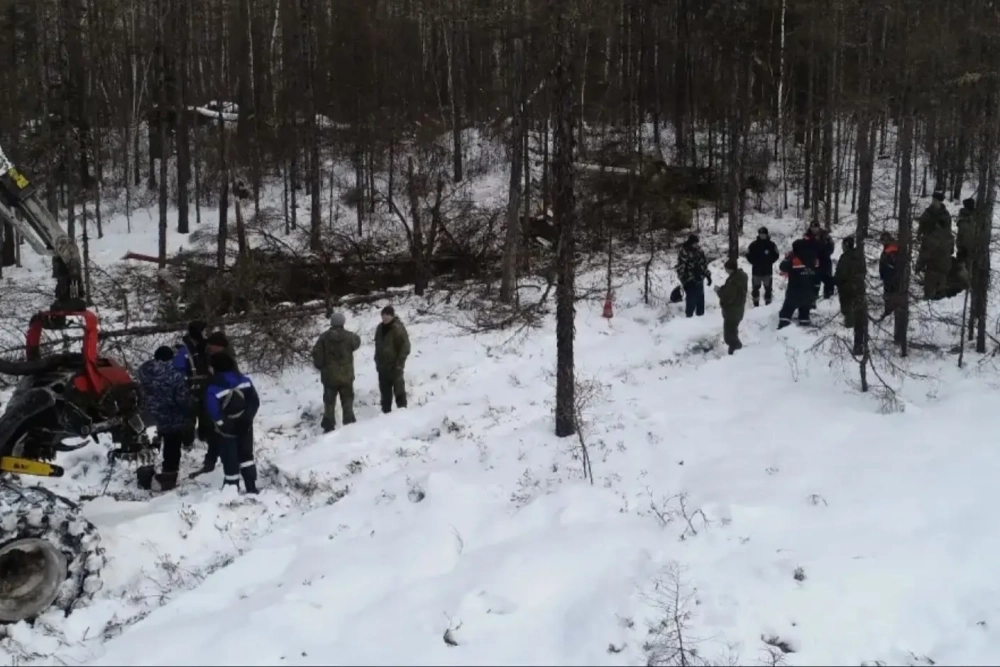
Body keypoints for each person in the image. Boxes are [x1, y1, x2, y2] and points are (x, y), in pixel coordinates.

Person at [137, 346, 192, 491]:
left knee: (147, 444)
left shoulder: (144, 371)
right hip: (170, 416)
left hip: (148, 416)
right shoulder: (175, 374)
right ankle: (168, 477)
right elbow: (182, 398)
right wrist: (188, 411)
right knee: (172, 446)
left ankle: (145, 475)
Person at [203, 352, 259, 494]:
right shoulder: (245, 380)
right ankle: (251, 485)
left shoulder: (213, 387)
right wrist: (247, 419)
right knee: (247, 455)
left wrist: (224, 425)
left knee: (230, 458)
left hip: (227, 429)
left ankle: (231, 488)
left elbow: (213, 410)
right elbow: (254, 401)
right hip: (246, 425)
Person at [312, 312, 361, 433]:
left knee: (329, 403)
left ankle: (328, 425)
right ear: (343, 322)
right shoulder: (351, 337)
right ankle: (349, 424)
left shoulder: (323, 337)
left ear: (331, 322)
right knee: (347, 401)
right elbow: (357, 343)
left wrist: (321, 366)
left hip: (329, 377)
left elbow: (316, 354)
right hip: (346, 376)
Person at [173, 321, 208, 447]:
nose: (205, 335)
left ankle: (204, 437)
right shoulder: (183, 350)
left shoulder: (204, 347)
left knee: (206, 414)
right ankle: (187, 442)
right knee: (189, 416)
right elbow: (177, 370)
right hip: (188, 388)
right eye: (203, 332)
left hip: (205, 387)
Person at [374, 305, 410, 413]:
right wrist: (376, 359)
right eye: (383, 315)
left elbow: (405, 347)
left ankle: (403, 412)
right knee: (385, 394)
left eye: (387, 315)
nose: (384, 317)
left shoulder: (398, 329)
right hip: (382, 367)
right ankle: (386, 414)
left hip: (395, 367)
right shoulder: (380, 328)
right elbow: (378, 345)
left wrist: (399, 363)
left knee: (399, 391)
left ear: (392, 316)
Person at [777, 239, 816, 329]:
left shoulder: (794, 259)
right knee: (804, 313)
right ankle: (804, 328)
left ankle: (782, 329)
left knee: (785, 313)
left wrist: (787, 258)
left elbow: (782, 267)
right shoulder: (812, 259)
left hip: (794, 292)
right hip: (809, 293)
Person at [714, 258, 748, 354]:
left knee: (728, 337)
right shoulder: (740, 277)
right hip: (738, 310)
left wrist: (719, 292)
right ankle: (735, 353)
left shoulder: (733, 281)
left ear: (730, 269)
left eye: (726, 269)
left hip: (732, 311)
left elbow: (728, 297)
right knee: (733, 332)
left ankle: (737, 351)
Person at [676, 234, 711, 317]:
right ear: (691, 243)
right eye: (695, 243)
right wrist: (683, 281)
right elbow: (681, 267)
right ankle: (689, 318)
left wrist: (708, 275)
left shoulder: (699, 251)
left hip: (699, 278)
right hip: (689, 279)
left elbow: (704, 264)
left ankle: (701, 316)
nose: (697, 245)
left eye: (697, 243)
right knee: (691, 300)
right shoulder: (684, 251)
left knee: (700, 299)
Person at [916, 222, 953, 300]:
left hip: (933, 268)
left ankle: (929, 299)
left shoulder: (930, 237)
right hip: (946, 267)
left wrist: (919, 266)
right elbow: (952, 251)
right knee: (941, 291)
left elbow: (924, 255)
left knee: (929, 293)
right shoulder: (950, 236)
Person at [745, 226, 779, 306]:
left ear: (767, 235)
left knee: (768, 288)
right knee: (755, 288)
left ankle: (768, 303)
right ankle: (756, 303)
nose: (762, 235)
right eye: (761, 234)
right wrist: (753, 262)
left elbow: (776, 254)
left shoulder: (771, 245)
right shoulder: (753, 245)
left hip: (767, 271)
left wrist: (770, 261)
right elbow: (747, 254)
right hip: (756, 271)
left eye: (764, 234)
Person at [834, 236, 864, 328]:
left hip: (847, 286)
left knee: (847, 307)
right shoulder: (859, 256)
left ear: (846, 245)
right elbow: (863, 271)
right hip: (859, 285)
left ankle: (849, 325)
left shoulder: (845, 257)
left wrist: (835, 281)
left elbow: (841, 273)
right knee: (858, 307)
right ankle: (858, 325)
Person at [804, 221, 836, 299]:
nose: (814, 229)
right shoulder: (807, 236)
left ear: (818, 227)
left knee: (828, 281)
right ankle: (812, 300)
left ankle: (828, 297)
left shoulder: (825, 236)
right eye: (812, 227)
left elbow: (831, 248)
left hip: (825, 262)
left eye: (815, 227)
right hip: (812, 263)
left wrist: (823, 252)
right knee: (812, 283)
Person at [878, 232, 900, 318]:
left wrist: (889, 270)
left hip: (890, 277)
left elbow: (894, 263)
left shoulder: (892, 249)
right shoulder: (889, 248)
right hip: (888, 276)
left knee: (890, 295)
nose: (882, 242)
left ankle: (889, 312)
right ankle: (889, 311)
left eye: (883, 240)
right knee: (889, 294)